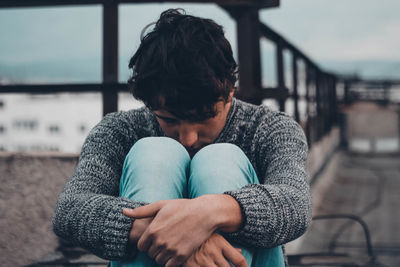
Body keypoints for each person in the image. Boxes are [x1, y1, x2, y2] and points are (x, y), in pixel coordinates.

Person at [53, 9, 311, 267]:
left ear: (230, 90)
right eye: (169, 119)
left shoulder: (269, 129)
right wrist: (169, 231)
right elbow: (70, 210)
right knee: (154, 154)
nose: (187, 138)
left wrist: (212, 212)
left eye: (203, 119)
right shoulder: (121, 130)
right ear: (150, 101)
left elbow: (296, 204)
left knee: (221, 158)